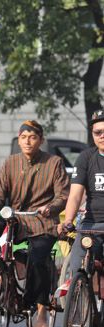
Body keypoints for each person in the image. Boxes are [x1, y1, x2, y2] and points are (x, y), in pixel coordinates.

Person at [0, 119, 69, 327]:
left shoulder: (54, 163)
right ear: (18, 140)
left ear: (41, 140)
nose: (28, 141)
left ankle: (41, 313)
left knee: (38, 258)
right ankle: (0, 269)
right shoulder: (11, 162)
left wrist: (51, 207)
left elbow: (63, 195)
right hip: (18, 219)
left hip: (43, 222)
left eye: (32, 137)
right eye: (23, 137)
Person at [59, 110, 104, 292]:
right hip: (90, 225)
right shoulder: (86, 157)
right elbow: (75, 195)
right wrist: (68, 221)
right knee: (77, 267)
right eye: (97, 132)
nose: (102, 136)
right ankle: (81, 312)